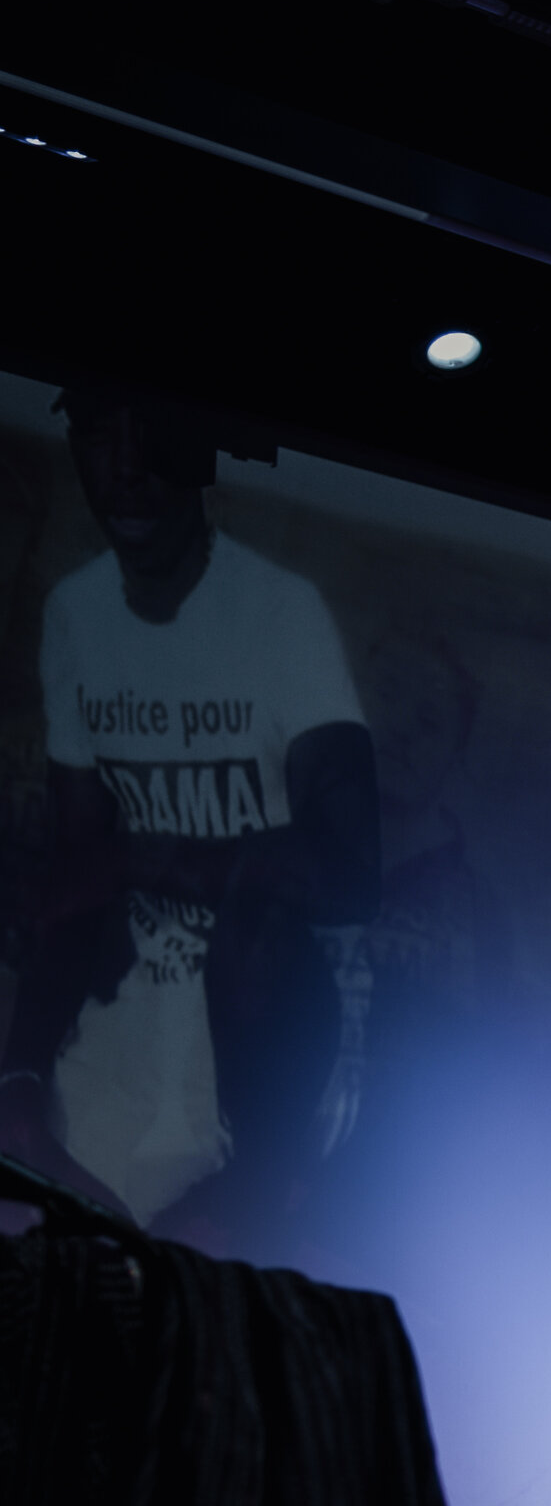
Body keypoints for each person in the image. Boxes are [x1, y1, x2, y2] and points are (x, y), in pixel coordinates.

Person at [0, 386, 377, 1235]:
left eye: (152, 441)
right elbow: (74, 881)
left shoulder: (282, 617)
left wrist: (147, 856)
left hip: (252, 1066)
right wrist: (20, 1083)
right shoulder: (76, 614)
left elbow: (353, 876)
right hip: (116, 1059)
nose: (126, 472)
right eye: (99, 436)